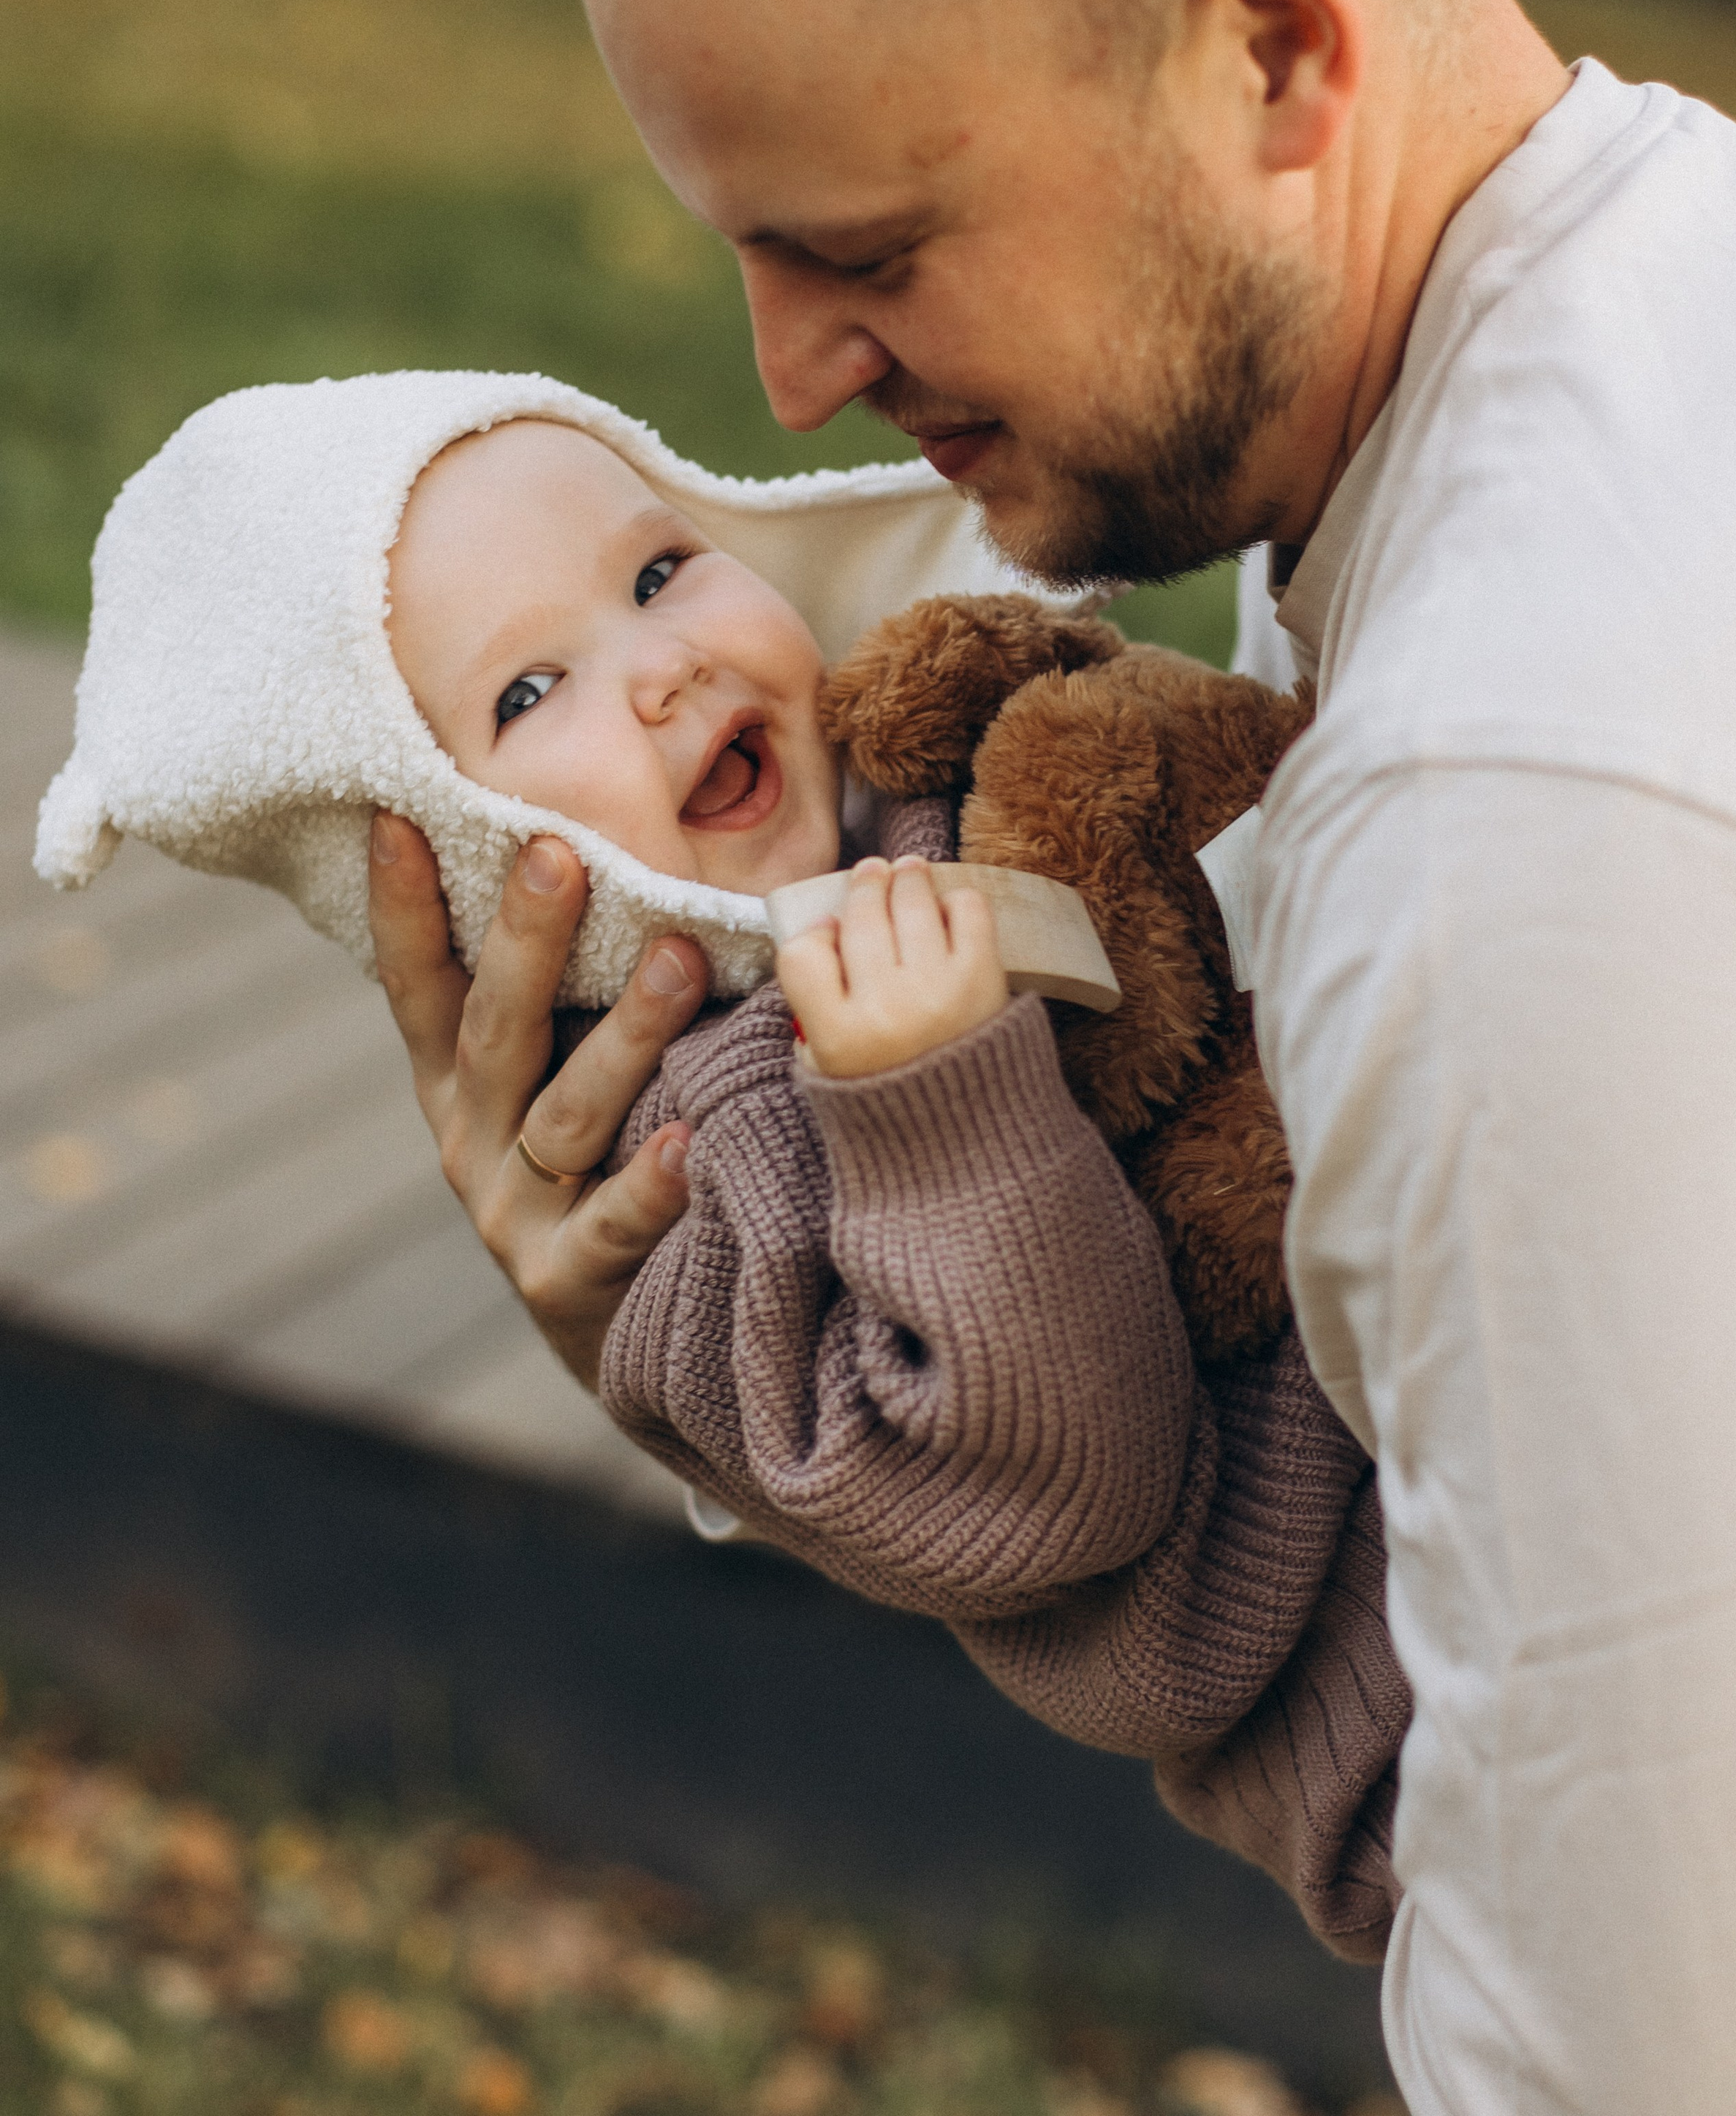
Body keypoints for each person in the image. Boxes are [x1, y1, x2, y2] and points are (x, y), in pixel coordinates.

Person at [368, 0, 1736, 2113]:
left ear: (1273, 44)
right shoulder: (1706, 321)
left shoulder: (1523, 812)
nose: (787, 380)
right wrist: (757, 1360)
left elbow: (1680, 2055)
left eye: (868, 244)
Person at [39, 365, 1409, 1954]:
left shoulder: (925, 771)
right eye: (527, 694)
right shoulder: (695, 1170)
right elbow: (1049, 1498)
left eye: (656, 570)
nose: (660, 667)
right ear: (458, 870)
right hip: (1408, 1717)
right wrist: (939, 1110)